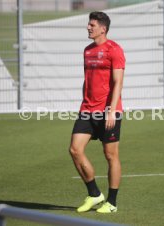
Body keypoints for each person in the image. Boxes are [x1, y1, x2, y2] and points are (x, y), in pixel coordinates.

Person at [69, 11, 125, 213]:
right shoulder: (87, 50)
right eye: (88, 24)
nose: (88, 27)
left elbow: (118, 82)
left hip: (109, 111)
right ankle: (94, 194)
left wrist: (111, 110)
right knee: (75, 149)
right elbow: (88, 80)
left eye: (92, 25)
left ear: (103, 28)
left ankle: (111, 202)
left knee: (110, 155)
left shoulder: (115, 49)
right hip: (87, 109)